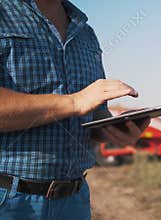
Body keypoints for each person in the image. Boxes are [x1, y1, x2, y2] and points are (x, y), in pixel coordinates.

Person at [0, 0, 150, 219]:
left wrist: (112, 128)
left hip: (74, 200)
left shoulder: (85, 32)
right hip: (8, 200)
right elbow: (78, 102)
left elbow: (91, 110)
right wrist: (74, 102)